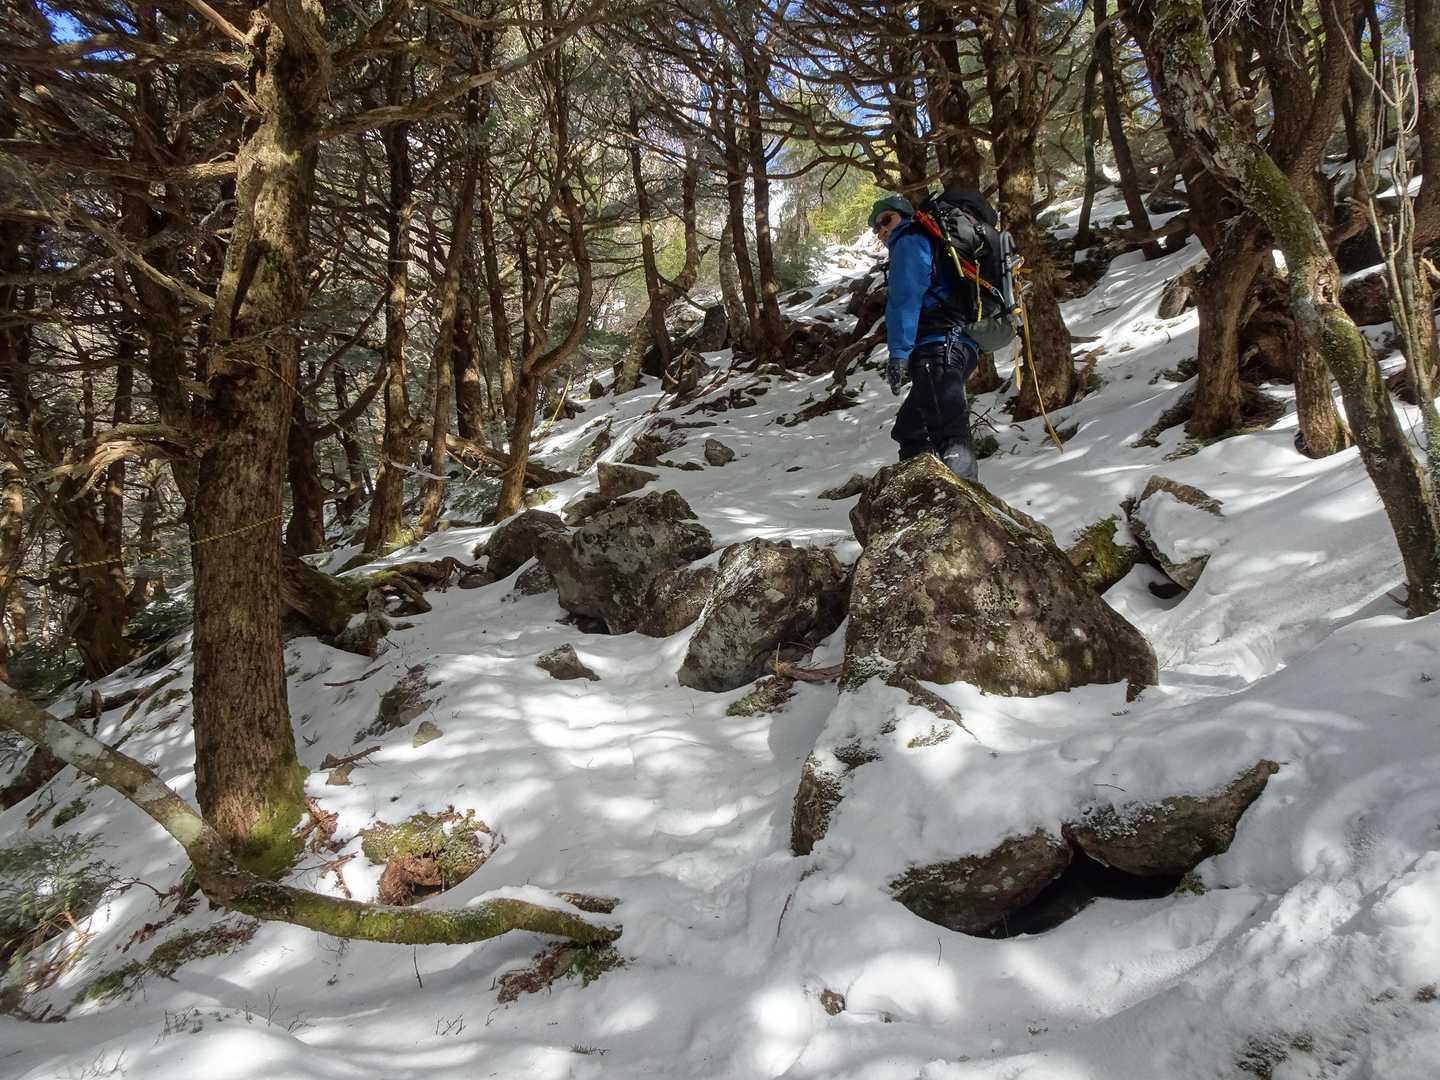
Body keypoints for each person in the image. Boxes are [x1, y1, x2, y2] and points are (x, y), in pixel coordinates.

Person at [869, 194, 980, 483]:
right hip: (961, 345)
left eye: (886, 220)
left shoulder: (909, 240)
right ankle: (922, 491)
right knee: (909, 428)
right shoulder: (933, 241)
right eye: (876, 228)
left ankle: (961, 497)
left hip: (937, 346)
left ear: (905, 216)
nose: (882, 230)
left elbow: (904, 300)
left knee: (949, 432)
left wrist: (898, 354)